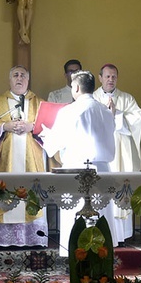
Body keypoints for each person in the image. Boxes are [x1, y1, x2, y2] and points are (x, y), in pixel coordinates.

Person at [42, 70, 116, 256]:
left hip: (76, 169)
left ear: (75, 87)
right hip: (102, 169)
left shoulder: (69, 111)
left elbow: (55, 143)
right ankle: (102, 258)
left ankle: (76, 259)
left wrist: (45, 135)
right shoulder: (105, 111)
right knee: (101, 215)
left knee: (75, 217)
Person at [0, 66, 48, 247]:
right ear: (9, 80)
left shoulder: (39, 104)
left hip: (31, 162)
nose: (19, 78)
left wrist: (31, 127)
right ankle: (4, 240)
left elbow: (51, 127)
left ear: (28, 80)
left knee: (30, 197)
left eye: (23, 75)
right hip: (4, 162)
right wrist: (4, 127)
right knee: (5, 193)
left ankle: (32, 239)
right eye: (15, 75)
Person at [93, 63, 141, 244]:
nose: (110, 80)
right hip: (101, 153)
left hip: (122, 152)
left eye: (114, 76)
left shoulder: (127, 99)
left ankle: (121, 236)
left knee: (121, 190)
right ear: (100, 78)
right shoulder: (92, 98)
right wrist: (107, 114)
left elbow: (137, 121)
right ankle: (101, 232)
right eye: (107, 76)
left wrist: (117, 114)